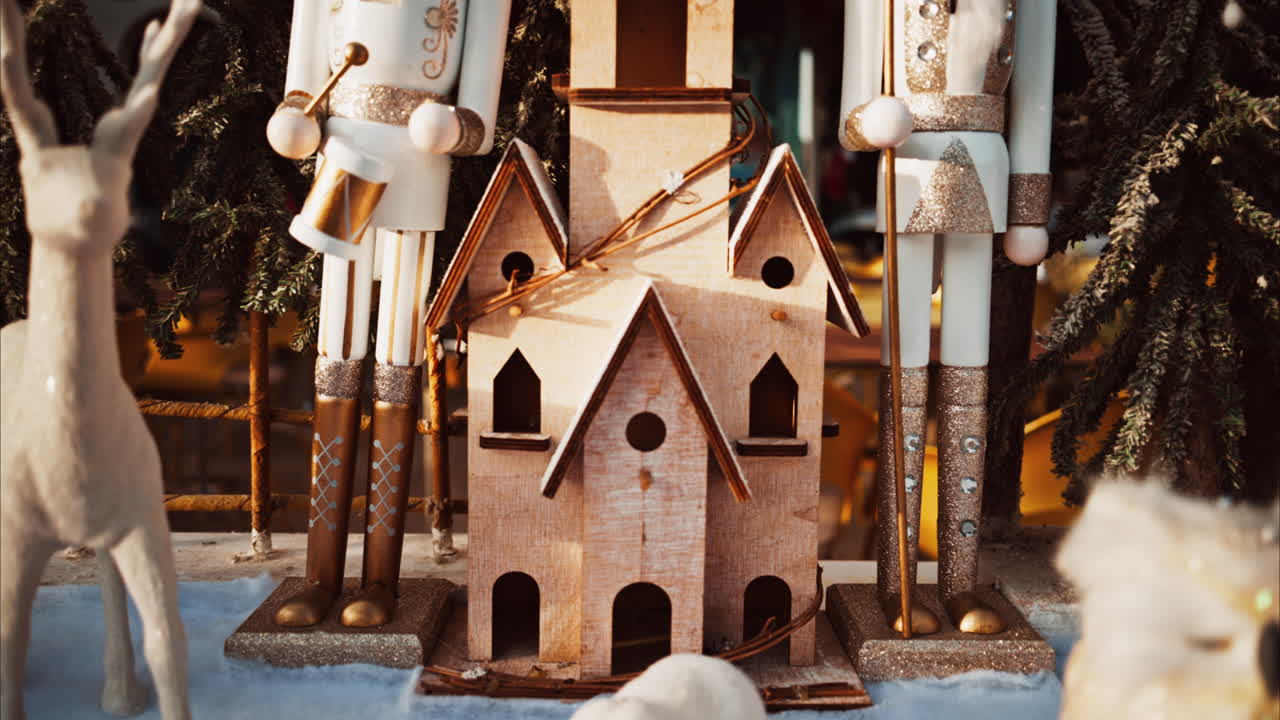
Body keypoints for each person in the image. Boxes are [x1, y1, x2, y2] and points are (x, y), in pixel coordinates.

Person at [265, 0, 511, 628]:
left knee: (397, 362)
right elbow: (301, 83)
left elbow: (480, 117)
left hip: (418, 168)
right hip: (344, 156)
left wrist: (453, 129)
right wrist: (295, 117)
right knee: (337, 354)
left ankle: (380, 577)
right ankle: (320, 573)